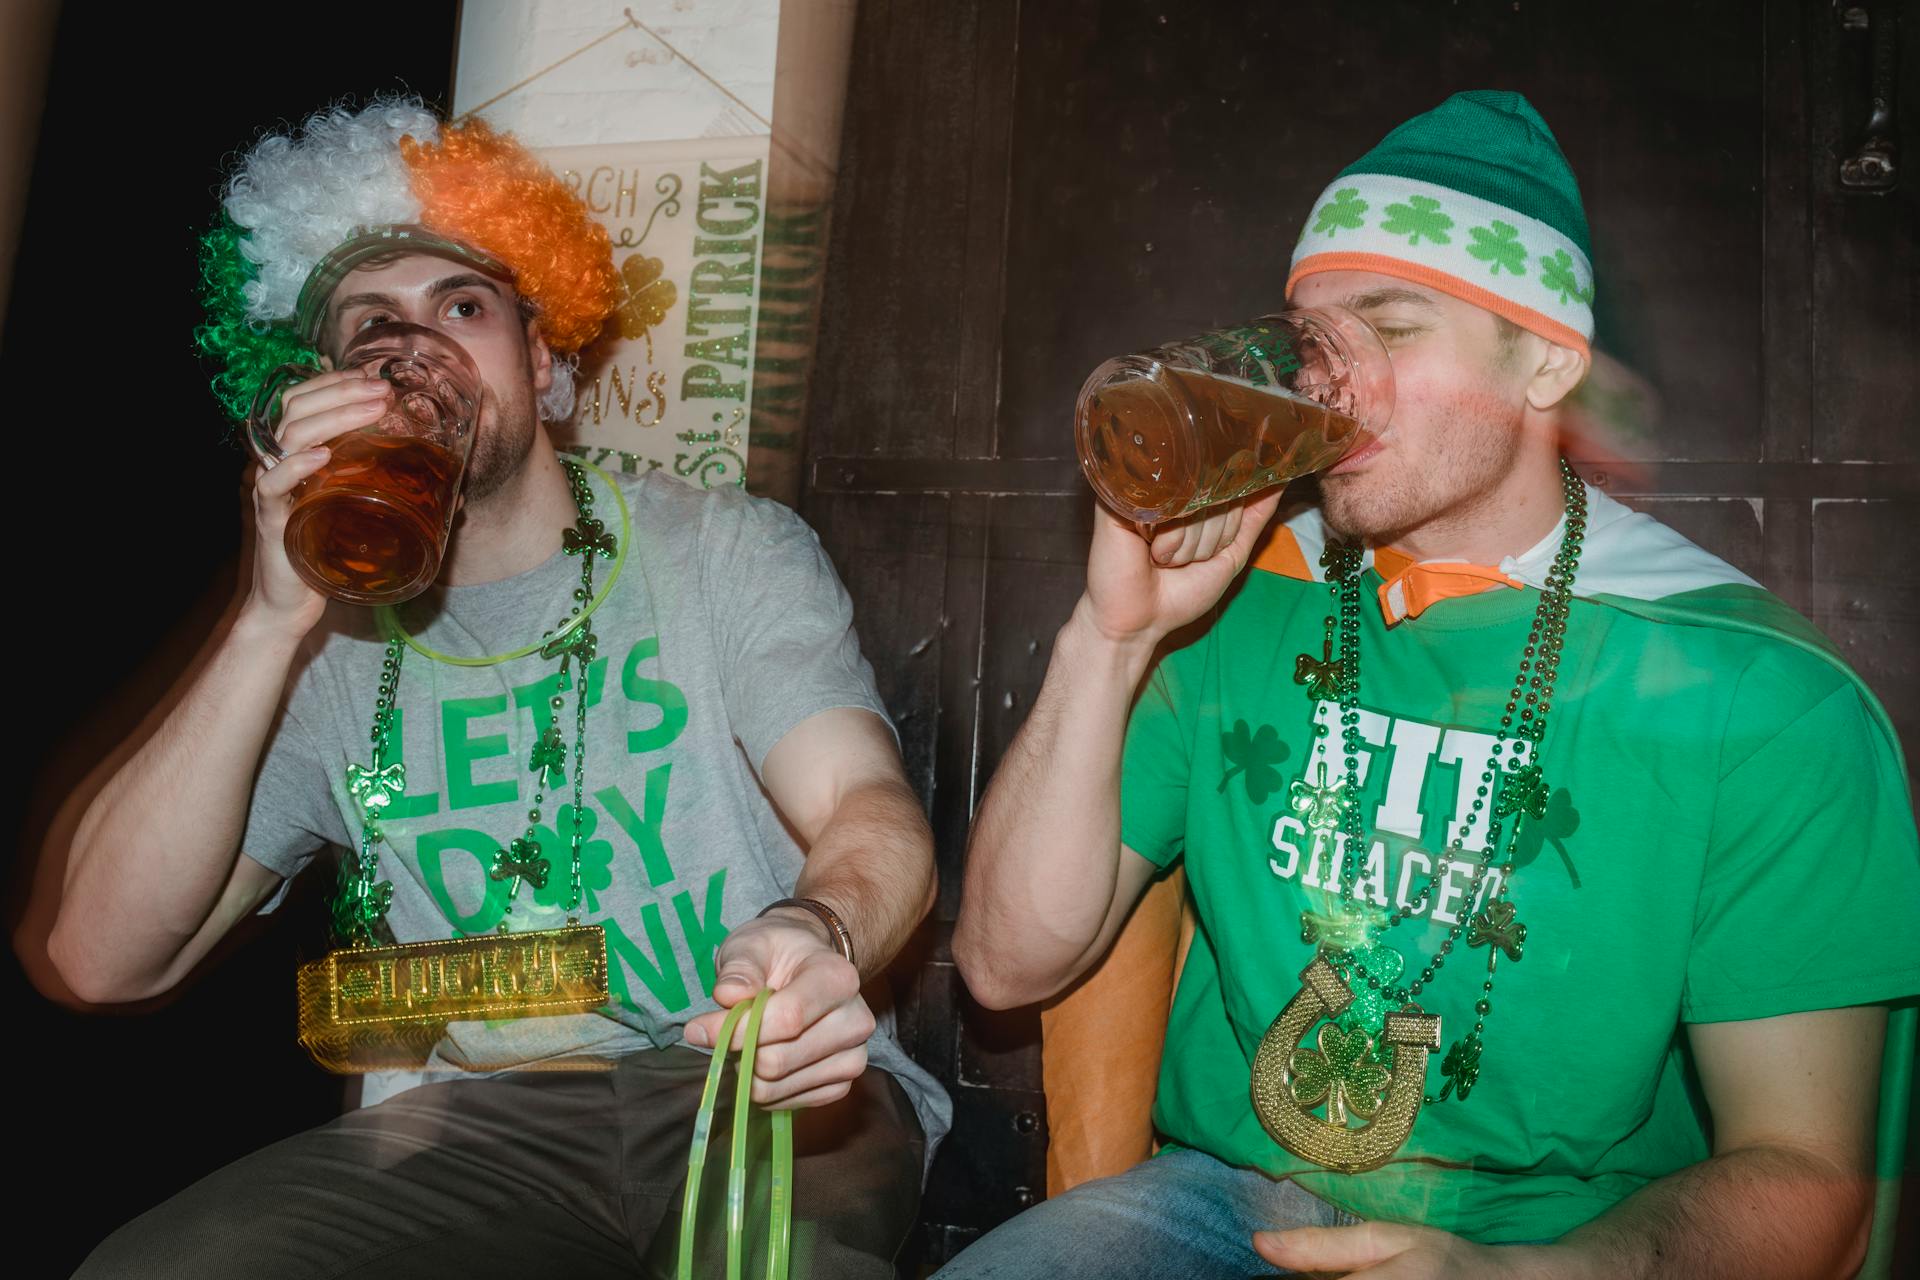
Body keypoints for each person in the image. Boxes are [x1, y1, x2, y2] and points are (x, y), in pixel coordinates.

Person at [942, 91, 1920, 1278]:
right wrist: (1109, 634)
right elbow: (1003, 965)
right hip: (1232, 1197)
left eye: (1392, 328)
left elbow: (1812, 1176)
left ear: (1547, 357)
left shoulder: (1756, 694)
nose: (1328, 381)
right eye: (1310, 336)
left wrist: (1515, 1273)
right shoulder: (1246, 594)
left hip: (1578, 1240)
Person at [50, 95, 948, 1279]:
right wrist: (268, 619)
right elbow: (100, 957)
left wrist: (812, 923)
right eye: (370, 331)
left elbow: (866, 810)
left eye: (461, 309)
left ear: (540, 354)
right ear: (320, 388)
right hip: (480, 1125)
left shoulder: (721, 551)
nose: (412, 356)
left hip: (756, 1079)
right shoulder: (322, 653)